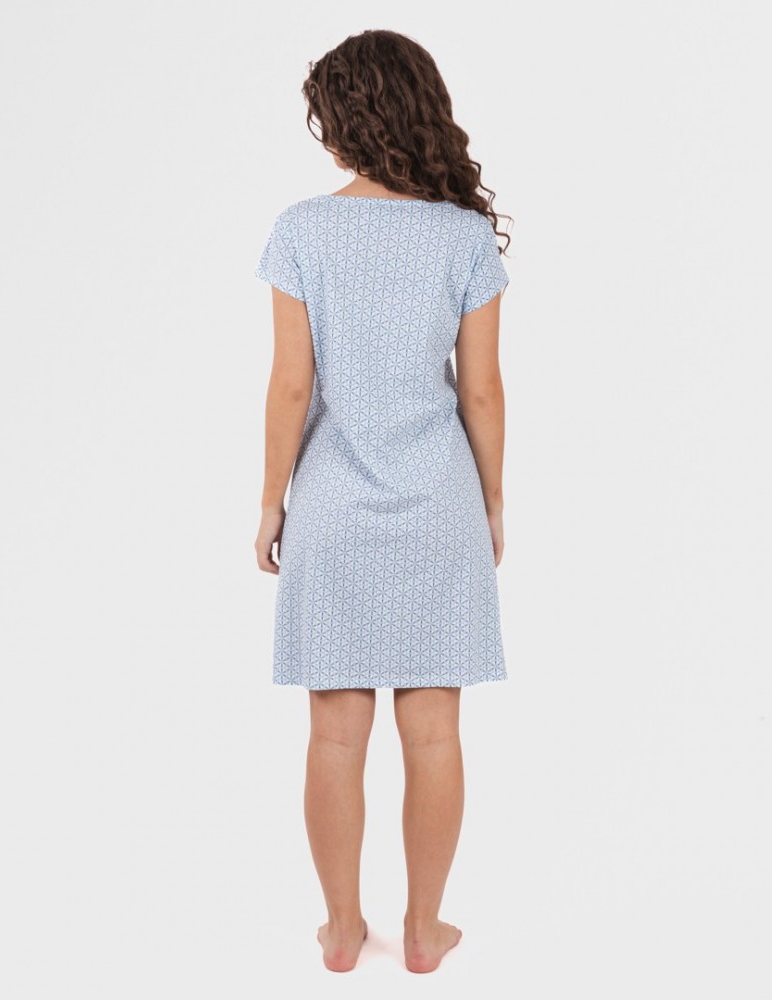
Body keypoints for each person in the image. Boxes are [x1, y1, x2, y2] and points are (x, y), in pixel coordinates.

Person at [253, 29, 512, 975]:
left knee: (334, 734)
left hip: (331, 506)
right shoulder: (463, 235)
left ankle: (338, 930)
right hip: (438, 503)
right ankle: (425, 931)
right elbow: (480, 391)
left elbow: (291, 386)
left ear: (345, 123)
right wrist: (492, 501)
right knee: (435, 731)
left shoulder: (301, 231)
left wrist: (271, 503)